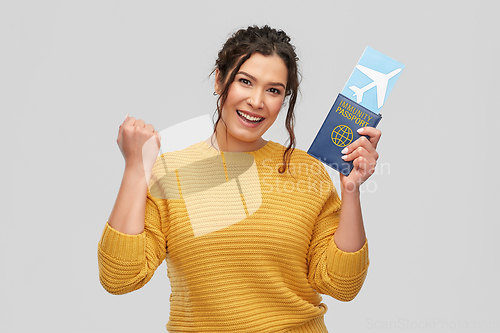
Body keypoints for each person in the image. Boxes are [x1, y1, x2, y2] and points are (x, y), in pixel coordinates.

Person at [98, 25, 381, 333]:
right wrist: (135, 169)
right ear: (219, 80)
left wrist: (350, 190)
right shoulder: (170, 173)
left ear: (283, 99)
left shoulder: (307, 171)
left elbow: (342, 285)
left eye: (273, 90)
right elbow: (119, 278)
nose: (257, 101)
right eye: (245, 82)